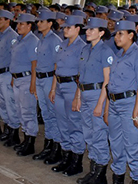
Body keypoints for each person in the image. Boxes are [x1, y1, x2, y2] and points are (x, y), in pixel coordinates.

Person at [101, 20, 138, 184]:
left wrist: (136, 113)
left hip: (130, 105)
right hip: (114, 103)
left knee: (133, 148)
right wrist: (107, 108)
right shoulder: (118, 56)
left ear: (131, 34)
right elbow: (109, 85)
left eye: (121, 33)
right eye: (116, 34)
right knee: (116, 145)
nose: (117, 37)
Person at [72, 17, 113, 184]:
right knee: (88, 132)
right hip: (85, 92)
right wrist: (78, 97)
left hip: (98, 94)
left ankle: (101, 172)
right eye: (87, 29)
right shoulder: (85, 49)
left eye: (92, 29)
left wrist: (100, 104)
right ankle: (94, 168)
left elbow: (107, 81)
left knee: (98, 133)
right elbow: (80, 78)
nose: (87, 32)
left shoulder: (106, 51)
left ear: (101, 32)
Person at [48, 15, 86, 174]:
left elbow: (82, 73)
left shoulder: (82, 47)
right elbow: (57, 69)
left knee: (74, 124)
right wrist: (53, 88)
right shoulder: (62, 45)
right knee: (62, 123)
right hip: (60, 86)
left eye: (69, 27)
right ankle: (66, 157)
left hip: (72, 86)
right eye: (64, 27)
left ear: (77, 28)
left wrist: (78, 95)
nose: (65, 30)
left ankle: (76, 162)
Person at [31, 10, 61, 160]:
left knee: (53, 114)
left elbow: (57, 66)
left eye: (42, 21)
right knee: (46, 114)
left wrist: (54, 87)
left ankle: (57, 148)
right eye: (38, 21)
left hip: (50, 79)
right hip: (41, 79)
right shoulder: (40, 39)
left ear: (50, 23)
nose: (38, 23)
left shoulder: (54, 40)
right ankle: (48, 145)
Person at [9, 13, 39, 155]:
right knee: (20, 110)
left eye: (22, 24)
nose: (18, 26)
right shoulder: (18, 39)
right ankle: (25, 138)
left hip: (27, 80)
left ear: (29, 26)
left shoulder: (32, 41)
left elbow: (34, 64)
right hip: (17, 79)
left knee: (28, 111)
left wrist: (33, 84)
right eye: (18, 23)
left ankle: (30, 142)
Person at [0, 10, 20, 146]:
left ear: (8, 20)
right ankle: (7, 131)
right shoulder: (0, 35)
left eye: (0, 19)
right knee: (1, 104)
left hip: (7, 74)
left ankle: (14, 134)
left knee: (10, 105)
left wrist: (13, 76)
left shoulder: (12, 36)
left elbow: (15, 58)